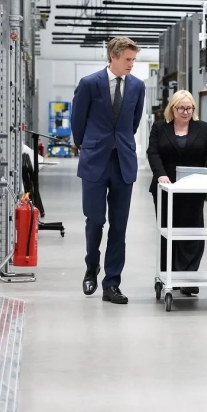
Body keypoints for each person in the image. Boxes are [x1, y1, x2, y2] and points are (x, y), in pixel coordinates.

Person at [71, 37, 145, 304]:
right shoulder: (89, 84)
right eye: (127, 59)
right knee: (95, 220)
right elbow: (77, 122)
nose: (131, 64)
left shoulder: (137, 86)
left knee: (119, 225)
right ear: (113, 56)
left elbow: (133, 122)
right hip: (95, 160)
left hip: (123, 161)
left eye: (133, 60)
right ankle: (92, 266)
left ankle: (112, 283)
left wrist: (120, 143)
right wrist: (87, 146)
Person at [146, 90, 207, 296]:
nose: (186, 112)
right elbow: (153, 153)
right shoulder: (160, 128)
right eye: (182, 108)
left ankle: (189, 277)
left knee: (192, 231)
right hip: (166, 188)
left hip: (193, 189)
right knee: (168, 230)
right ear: (173, 109)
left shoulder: (203, 128)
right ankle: (169, 274)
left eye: (189, 108)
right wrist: (160, 174)